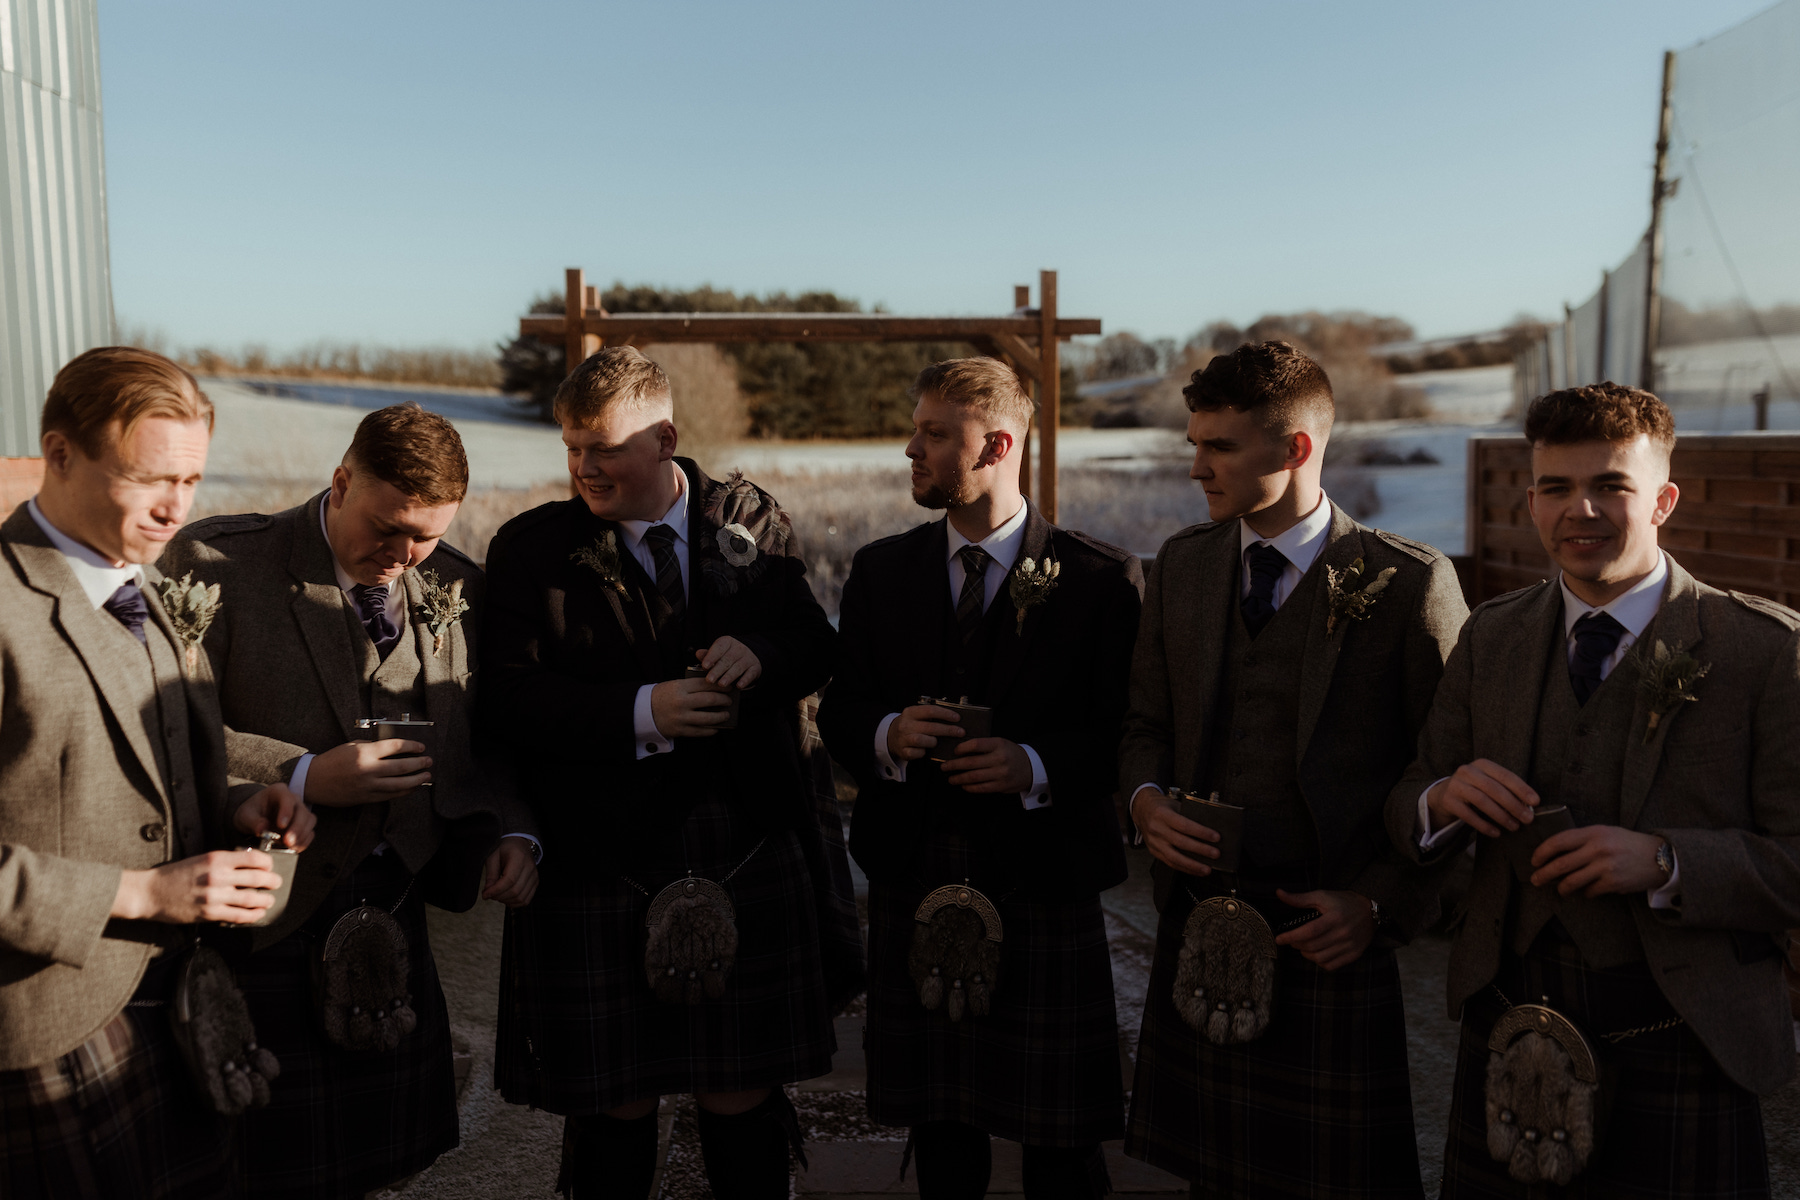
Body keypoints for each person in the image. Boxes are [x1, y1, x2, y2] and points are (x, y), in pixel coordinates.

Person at [1387, 382, 1800, 1198]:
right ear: (1531, 501)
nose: (1581, 510)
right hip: (1506, 1021)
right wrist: (1441, 802)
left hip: (1683, 1031)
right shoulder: (1490, 635)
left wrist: (1668, 862)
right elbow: (1409, 797)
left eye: (1610, 485)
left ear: (1663, 500)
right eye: (1555, 488)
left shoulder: (1765, 653)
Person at [483, 346, 845, 1200]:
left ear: (666, 438)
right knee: (616, 1104)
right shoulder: (533, 549)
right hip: (598, 850)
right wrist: (644, 712)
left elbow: (814, 643)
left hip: (745, 840)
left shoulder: (751, 520)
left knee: (741, 1092)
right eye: (572, 446)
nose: (583, 467)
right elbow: (508, 699)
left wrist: (760, 652)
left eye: (602, 447)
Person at [163, 402, 540, 1199]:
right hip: (267, 925)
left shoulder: (459, 585)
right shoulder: (217, 565)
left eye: (426, 536)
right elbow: (165, 733)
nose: (403, 555)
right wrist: (302, 775)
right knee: (262, 1168)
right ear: (340, 480)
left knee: (384, 1167)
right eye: (385, 526)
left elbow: (492, 739)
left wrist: (511, 827)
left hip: (397, 915)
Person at [1120, 341, 1468, 1199]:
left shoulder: (1410, 583)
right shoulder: (1182, 566)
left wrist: (1382, 905)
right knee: (1212, 1182)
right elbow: (1142, 726)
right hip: (1197, 923)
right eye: (1194, 443)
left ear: (1297, 449)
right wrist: (1143, 801)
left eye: (1220, 446)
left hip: (1329, 942)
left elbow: (1451, 777)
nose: (1197, 465)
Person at [817, 357, 1143, 1199]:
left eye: (933, 434)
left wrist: (1032, 765)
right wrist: (891, 732)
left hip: (1043, 883)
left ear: (996, 444)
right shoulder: (881, 570)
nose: (909, 450)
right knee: (942, 1132)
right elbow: (842, 710)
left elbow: (1126, 733)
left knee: (1062, 1144)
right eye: (915, 430)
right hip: (914, 874)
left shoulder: (1102, 579)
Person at [0, 346, 314, 1198]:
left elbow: (147, 779)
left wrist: (242, 805)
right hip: (44, 1027)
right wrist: (142, 894)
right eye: (150, 480)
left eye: (193, 480)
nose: (177, 509)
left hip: (180, 1005)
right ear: (58, 454)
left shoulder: (146, 592)